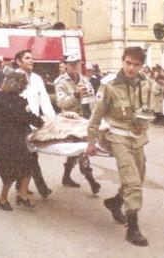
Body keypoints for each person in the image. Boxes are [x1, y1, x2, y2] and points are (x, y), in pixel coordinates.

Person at [86, 47, 152, 246]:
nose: (131, 68)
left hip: (137, 138)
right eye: (128, 63)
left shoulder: (145, 83)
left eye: (136, 64)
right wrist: (91, 141)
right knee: (131, 181)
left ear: (141, 65)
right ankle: (132, 229)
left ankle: (114, 202)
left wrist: (143, 125)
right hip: (116, 136)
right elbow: (96, 114)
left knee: (139, 178)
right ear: (123, 61)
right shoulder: (109, 85)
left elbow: (147, 110)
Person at [0, 72, 44, 210]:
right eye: (23, 85)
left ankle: (22, 195)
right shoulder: (20, 102)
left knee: (22, 167)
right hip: (11, 139)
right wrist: (41, 123)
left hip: (2, 139)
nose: (24, 88)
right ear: (19, 86)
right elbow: (29, 117)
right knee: (19, 169)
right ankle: (2, 198)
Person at [55, 54, 101, 193]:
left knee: (75, 149)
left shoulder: (85, 80)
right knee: (82, 148)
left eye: (77, 63)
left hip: (83, 119)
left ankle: (66, 177)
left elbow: (92, 100)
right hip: (69, 120)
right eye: (71, 63)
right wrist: (76, 94)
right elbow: (61, 103)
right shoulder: (61, 82)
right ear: (66, 65)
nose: (74, 66)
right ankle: (91, 179)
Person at [14, 49, 54, 199]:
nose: (31, 60)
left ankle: (20, 184)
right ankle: (41, 187)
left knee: (29, 156)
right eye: (27, 58)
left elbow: (45, 100)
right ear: (19, 61)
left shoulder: (36, 78)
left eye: (32, 58)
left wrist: (52, 120)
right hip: (19, 124)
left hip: (33, 123)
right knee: (30, 156)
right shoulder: (13, 78)